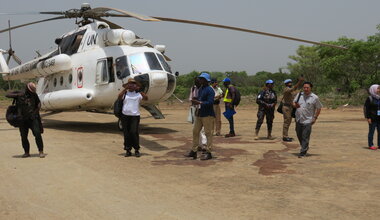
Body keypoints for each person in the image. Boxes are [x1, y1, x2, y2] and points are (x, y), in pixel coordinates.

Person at [6, 82, 45, 158]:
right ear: (27, 88)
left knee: (37, 134)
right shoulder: (20, 93)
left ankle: (41, 151)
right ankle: (26, 152)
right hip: (22, 119)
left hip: (32, 118)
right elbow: (7, 94)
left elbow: (39, 103)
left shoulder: (34, 94)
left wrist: (35, 112)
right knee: (23, 136)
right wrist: (17, 95)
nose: (31, 92)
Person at [185, 72, 215, 160]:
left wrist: (199, 102)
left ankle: (209, 152)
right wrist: (196, 100)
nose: (200, 80)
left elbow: (210, 103)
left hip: (208, 115)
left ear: (206, 80)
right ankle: (194, 151)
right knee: (195, 131)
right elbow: (201, 99)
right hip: (200, 113)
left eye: (201, 79)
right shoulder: (201, 88)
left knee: (208, 133)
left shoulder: (210, 90)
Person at [118, 78, 148, 157]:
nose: (132, 85)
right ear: (127, 85)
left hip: (135, 116)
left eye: (134, 84)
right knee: (126, 133)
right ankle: (128, 150)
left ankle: (136, 149)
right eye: (130, 84)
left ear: (136, 85)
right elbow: (119, 97)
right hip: (125, 116)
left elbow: (146, 98)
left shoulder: (138, 94)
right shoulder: (125, 93)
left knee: (133, 132)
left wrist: (140, 90)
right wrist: (125, 89)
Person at [293, 82, 322, 158]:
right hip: (298, 119)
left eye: (307, 87)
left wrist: (315, 117)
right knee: (299, 134)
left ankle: (303, 152)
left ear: (310, 88)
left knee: (305, 136)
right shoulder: (299, 95)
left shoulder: (314, 97)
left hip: (308, 120)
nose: (305, 89)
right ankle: (304, 146)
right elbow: (293, 103)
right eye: (304, 87)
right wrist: (295, 105)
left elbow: (319, 108)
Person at [281, 77, 304, 142]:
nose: (290, 84)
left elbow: (296, 91)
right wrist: (299, 82)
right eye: (289, 83)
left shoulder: (292, 90)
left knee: (290, 121)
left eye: (290, 82)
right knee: (287, 121)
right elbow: (294, 88)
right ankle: (285, 136)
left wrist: (300, 83)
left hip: (292, 107)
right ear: (286, 84)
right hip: (287, 107)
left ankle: (286, 135)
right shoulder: (286, 89)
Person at [188, 77, 207, 150]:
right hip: (195, 110)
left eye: (198, 82)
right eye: (196, 83)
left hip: (202, 110)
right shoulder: (193, 88)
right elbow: (191, 99)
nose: (197, 84)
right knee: (196, 129)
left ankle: (204, 144)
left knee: (203, 129)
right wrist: (196, 100)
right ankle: (199, 145)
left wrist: (197, 100)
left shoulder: (204, 89)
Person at [364, 84, 380, 150]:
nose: (379, 90)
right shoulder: (370, 98)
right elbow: (366, 109)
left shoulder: (379, 97)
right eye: (378, 88)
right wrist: (368, 117)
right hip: (372, 118)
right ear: (373, 89)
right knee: (371, 132)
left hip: (379, 118)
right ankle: (371, 145)